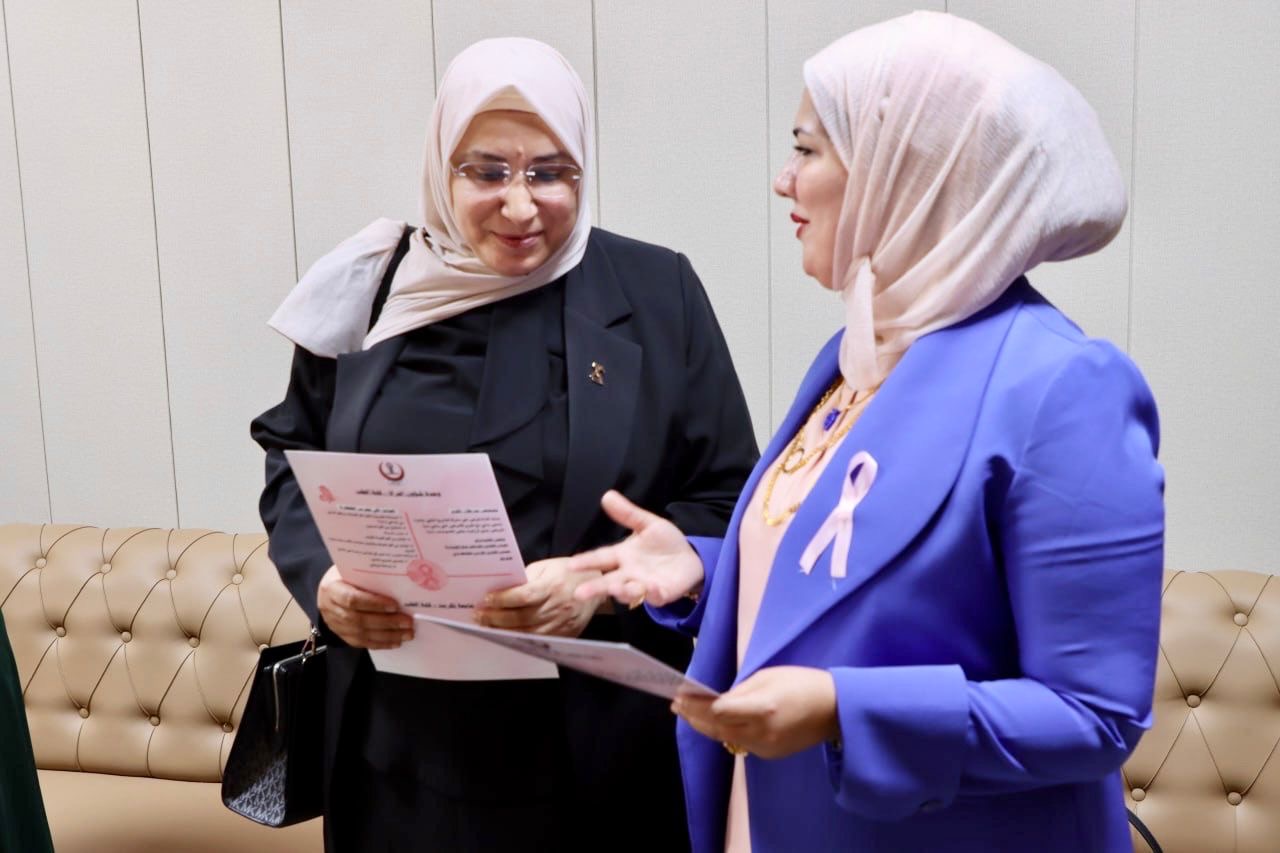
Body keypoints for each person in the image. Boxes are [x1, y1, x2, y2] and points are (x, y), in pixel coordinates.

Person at [571, 12, 1164, 853]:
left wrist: (845, 710)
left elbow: (1094, 714)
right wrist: (701, 569)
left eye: (808, 150)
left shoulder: (1064, 384)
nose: (783, 180)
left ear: (910, 171)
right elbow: (850, 573)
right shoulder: (857, 351)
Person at [250, 38, 757, 852]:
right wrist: (325, 582)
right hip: (393, 750)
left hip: (592, 751)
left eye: (549, 173)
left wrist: (600, 587)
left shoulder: (657, 293)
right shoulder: (372, 288)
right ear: (441, 167)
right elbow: (291, 452)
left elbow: (730, 500)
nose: (520, 207)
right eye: (487, 171)